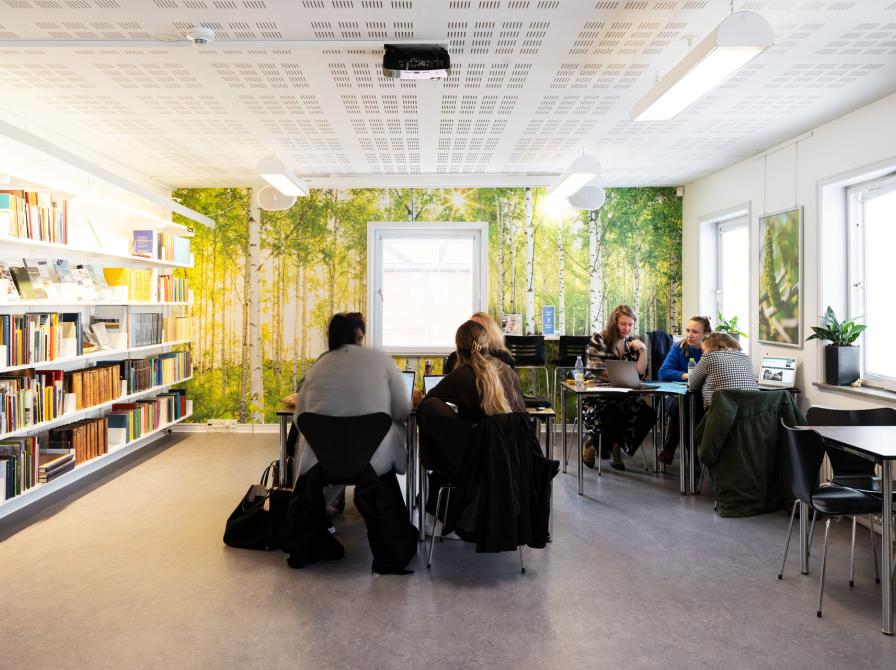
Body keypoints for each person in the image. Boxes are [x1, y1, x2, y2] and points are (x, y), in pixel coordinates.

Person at [281, 312, 416, 574]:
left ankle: (317, 529)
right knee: (389, 436)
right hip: (373, 463)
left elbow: (301, 418)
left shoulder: (318, 368)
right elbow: (401, 410)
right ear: (359, 337)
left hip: (324, 461)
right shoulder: (378, 360)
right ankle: (393, 542)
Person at [581, 304, 656, 471]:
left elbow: (641, 374)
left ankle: (617, 444)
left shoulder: (633, 343)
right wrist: (622, 378)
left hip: (625, 395)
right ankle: (593, 443)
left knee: (648, 414)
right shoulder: (599, 339)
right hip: (599, 396)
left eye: (630, 324)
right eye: (623, 324)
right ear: (614, 323)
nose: (627, 328)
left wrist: (643, 351)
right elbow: (596, 369)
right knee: (613, 410)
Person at [656, 315, 711, 465]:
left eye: (695, 332)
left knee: (685, 409)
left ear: (706, 334)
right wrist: (688, 375)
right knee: (681, 406)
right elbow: (663, 372)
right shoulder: (679, 347)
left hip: (702, 401)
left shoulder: (711, 351)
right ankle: (693, 462)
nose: (689, 335)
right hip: (677, 398)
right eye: (687, 330)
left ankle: (670, 448)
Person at [688, 332, 758, 409]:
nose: (703, 353)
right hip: (750, 414)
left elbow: (692, 384)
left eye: (704, 350)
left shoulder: (709, 357)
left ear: (711, 346)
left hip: (722, 415)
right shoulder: (746, 358)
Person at [443, 311, 515, 374]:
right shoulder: (454, 358)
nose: (473, 331)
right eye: (470, 326)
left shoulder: (503, 358)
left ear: (490, 332)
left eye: (478, 328)